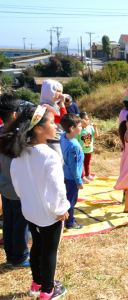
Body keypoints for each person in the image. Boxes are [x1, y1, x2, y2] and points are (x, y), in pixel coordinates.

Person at [0, 104, 69, 299]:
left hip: (29, 210)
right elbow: (56, 187)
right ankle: (48, 291)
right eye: (52, 122)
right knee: (49, 251)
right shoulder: (49, 156)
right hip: (49, 213)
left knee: (37, 244)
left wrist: (27, 201)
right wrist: (61, 208)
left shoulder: (19, 154)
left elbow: (17, 185)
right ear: (38, 128)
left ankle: (37, 283)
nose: (56, 126)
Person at [0, 93, 30, 269]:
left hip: (4, 186)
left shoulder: (1, 132)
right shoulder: (17, 136)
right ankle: (20, 257)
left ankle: (11, 255)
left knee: (9, 221)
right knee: (20, 224)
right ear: (14, 114)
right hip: (19, 189)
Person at [60, 114, 85, 230]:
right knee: (70, 200)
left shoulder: (63, 136)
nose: (82, 127)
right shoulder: (74, 146)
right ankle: (69, 222)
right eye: (79, 125)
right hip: (72, 179)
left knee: (65, 197)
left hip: (65, 173)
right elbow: (74, 166)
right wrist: (78, 181)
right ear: (72, 128)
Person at [39, 79, 69, 161]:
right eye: (58, 91)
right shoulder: (45, 107)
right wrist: (62, 104)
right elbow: (62, 121)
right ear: (49, 91)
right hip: (52, 141)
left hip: (57, 139)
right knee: (57, 163)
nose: (61, 94)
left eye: (61, 92)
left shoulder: (54, 105)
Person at [77, 112, 98, 183]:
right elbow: (76, 139)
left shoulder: (90, 128)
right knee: (81, 164)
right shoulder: (79, 130)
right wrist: (80, 126)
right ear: (80, 121)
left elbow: (96, 135)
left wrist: (95, 128)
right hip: (81, 151)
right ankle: (82, 177)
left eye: (88, 119)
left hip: (89, 150)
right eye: (84, 120)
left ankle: (87, 175)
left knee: (87, 164)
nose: (87, 121)